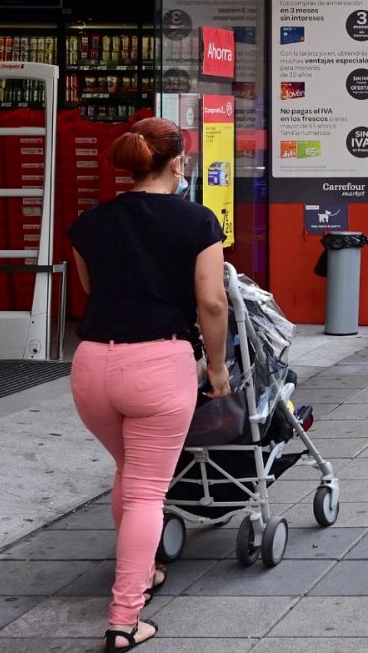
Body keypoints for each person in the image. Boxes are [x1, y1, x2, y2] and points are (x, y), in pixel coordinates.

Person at [68, 117, 230, 651]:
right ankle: (123, 619)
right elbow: (211, 301)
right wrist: (217, 366)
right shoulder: (197, 222)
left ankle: (147, 570)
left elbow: (93, 287)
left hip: (92, 365)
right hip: (158, 365)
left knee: (127, 473)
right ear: (178, 163)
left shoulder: (89, 223)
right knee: (145, 492)